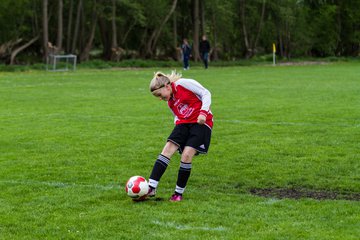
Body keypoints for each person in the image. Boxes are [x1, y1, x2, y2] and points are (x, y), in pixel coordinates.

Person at [147, 71, 213, 202]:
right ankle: (151, 187)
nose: (160, 98)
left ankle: (178, 193)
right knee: (167, 148)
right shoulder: (170, 102)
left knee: (186, 155)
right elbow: (177, 115)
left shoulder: (184, 84)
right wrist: (178, 128)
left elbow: (206, 93)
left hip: (201, 123)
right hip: (183, 124)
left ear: (167, 86)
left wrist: (203, 113)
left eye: (159, 95)